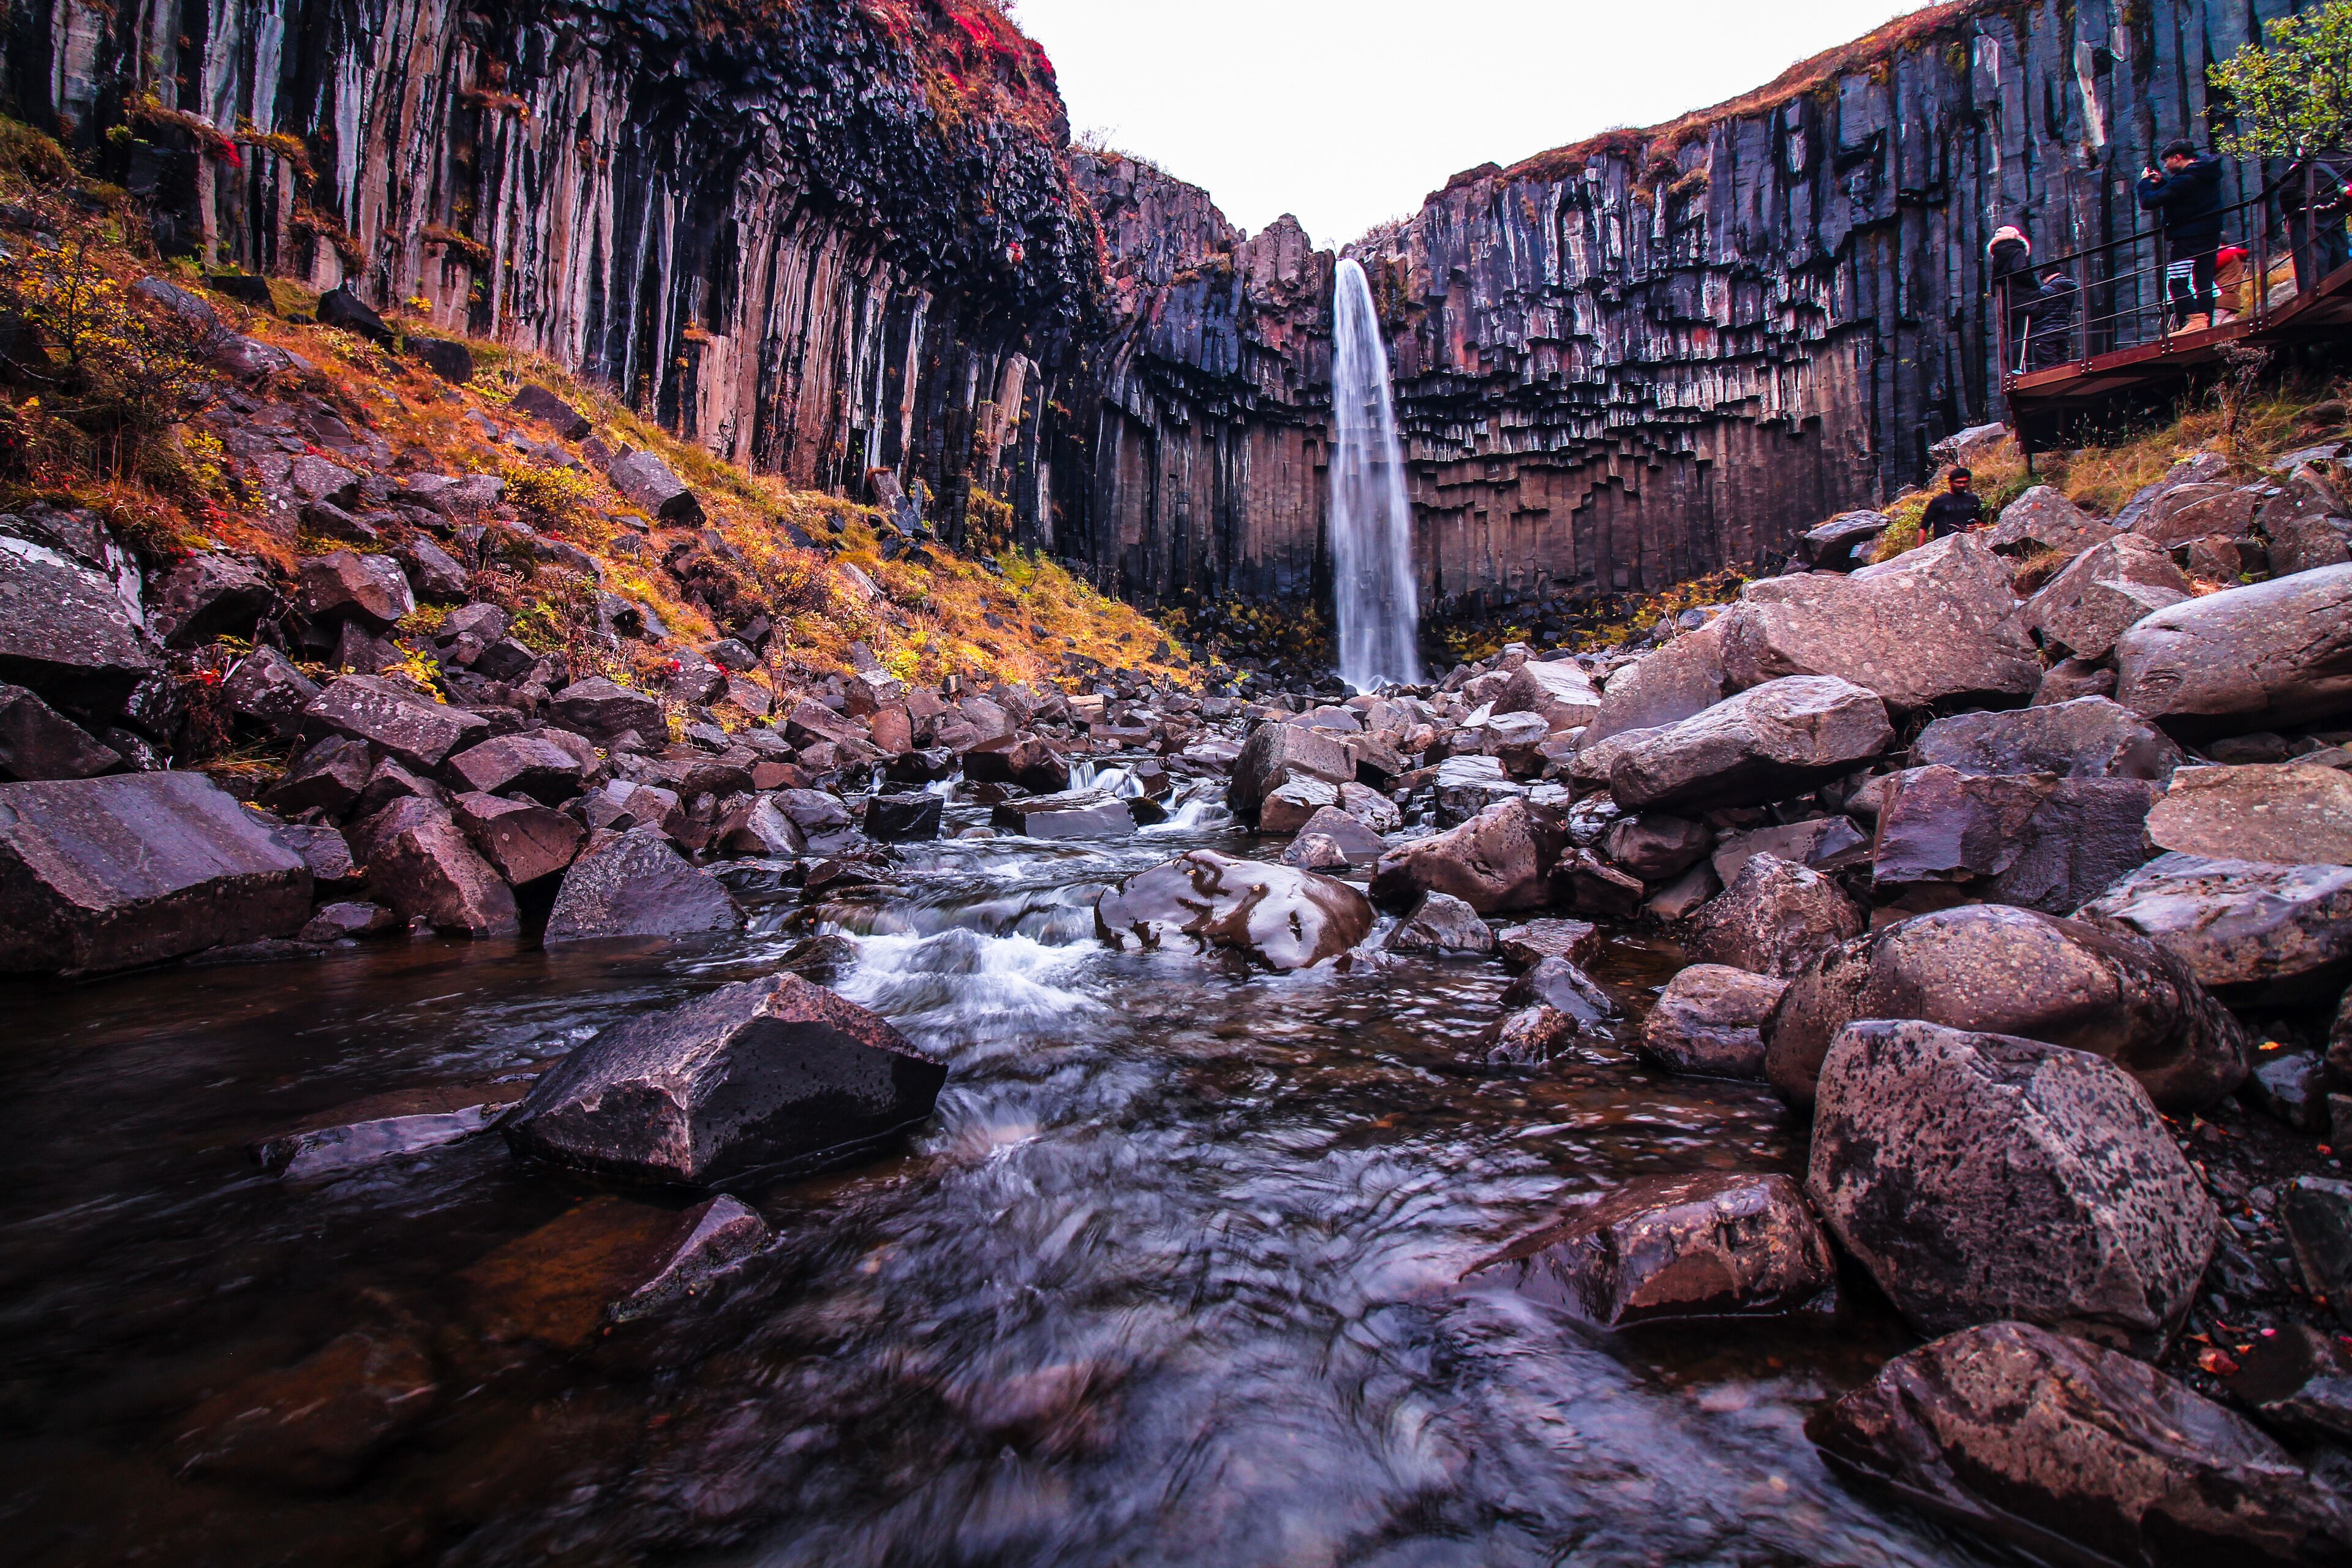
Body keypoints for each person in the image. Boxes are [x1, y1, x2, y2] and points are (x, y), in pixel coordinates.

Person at [2137, 140, 2226, 331]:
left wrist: (2145, 182)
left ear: (2177, 157)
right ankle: (2205, 322)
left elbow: (2149, 202)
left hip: (2188, 237)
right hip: (2209, 235)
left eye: (2167, 161)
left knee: (2177, 281)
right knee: (2203, 280)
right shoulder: (2203, 173)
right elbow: (2184, 196)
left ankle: (2194, 321)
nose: (2166, 166)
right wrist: (2162, 182)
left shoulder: (2187, 178)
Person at [2279, 152, 2352, 293]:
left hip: (2306, 217)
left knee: (2310, 265)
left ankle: (2315, 297)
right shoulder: (2339, 157)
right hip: (2336, 214)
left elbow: (2286, 191)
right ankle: (2343, 292)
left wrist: (2289, 212)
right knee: (2339, 258)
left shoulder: (2300, 164)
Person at [1988, 225, 2034, 370]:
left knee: (2011, 336)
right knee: (2022, 334)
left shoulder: (1998, 256)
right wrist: (2034, 286)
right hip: (2022, 298)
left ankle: (2011, 369)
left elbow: (1994, 285)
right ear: (2015, 236)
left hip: (2006, 301)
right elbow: (2021, 271)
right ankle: (2017, 369)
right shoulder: (2016, 251)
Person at [2022, 268, 2078, 369]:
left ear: (2046, 277)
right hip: (2063, 330)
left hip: (2045, 331)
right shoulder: (2070, 288)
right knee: (2062, 364)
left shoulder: (2047, 290)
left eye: (2043, 281)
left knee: (2047, 367)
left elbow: (2030, 304)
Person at [1921, 469, 1986, 538]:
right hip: (1944, 543)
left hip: (1969, 541)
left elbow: (1981, 522)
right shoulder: (1938, 501)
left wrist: (1976, 526)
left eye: (1965, 482)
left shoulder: (1973, 499)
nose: (1962, 485)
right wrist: (1919, 548)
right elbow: (1924, 526)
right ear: (1950, 482)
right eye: (1958, 482)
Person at [2211, 245, 2250, 323]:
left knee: (2212, 332)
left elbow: (2207, 268)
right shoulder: (2236, 256)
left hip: (2220, 300)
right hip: (2233, 302)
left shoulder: (2227, 254)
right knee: (2228, 332)